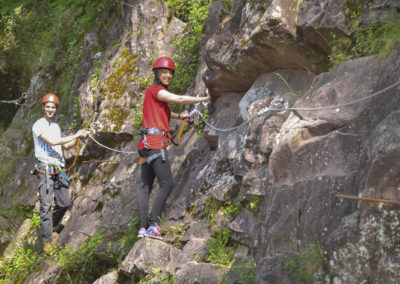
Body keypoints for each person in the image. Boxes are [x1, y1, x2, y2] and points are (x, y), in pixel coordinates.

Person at [137, 57, 211, 239]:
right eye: (164, 72)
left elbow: (166, 112)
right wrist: (205, 97)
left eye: (170, 72)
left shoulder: (150, 94)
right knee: (166, 183)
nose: (168, 75)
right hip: (155, 145)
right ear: (156, 73)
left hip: (144, 146)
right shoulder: (157, 90)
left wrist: (182, 116)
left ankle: (142, 228)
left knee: (145, 186)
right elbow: (178, 98)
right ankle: (154, 225)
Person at [32, 93, 88, 252]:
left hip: (58, 168)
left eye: (53, 107)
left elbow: (64, 146)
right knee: (46, 204)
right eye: (47, 107)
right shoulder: (38, 125)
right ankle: (47, 241)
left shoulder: (55, 127)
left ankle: (52, 227)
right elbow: (53, 142)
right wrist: (75, 134)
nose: (50, 109)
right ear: (43, 107)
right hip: (46, 169)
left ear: (55, 109)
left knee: (64, 203)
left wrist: (78, 138)